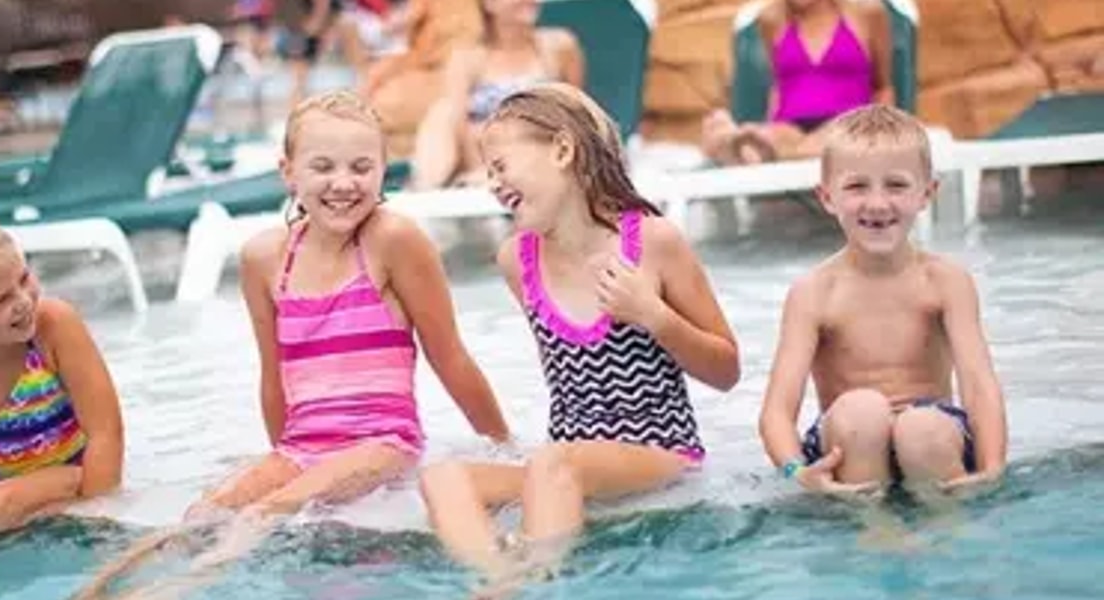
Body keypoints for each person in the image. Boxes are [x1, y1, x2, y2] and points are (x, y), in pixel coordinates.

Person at [72, 90, 511, 600]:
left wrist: (501, 446)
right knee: (203, 513)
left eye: (361, 167)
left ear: (383, 171)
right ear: (289, 172)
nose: (343, 183)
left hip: (382, 443)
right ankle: (99, 588)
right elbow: (273, 374)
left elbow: (449, 356)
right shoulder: (264, 260)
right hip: (302, 445)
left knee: (267, 510)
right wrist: (278, 458)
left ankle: (180, 589)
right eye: (322, 167)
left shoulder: (394, 240)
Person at [419, 84, 740, 586]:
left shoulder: (652, 242)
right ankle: (498, 578)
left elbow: (726, 370)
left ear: (563, 150)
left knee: (555, 463)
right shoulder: (517, 260)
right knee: (444, 477)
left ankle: (533, 581)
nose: (493, 184)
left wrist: (654, 315)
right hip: (566, 464)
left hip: (658, 450)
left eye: (500, 166)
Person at [757, 104, 1008, 502]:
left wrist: (993, 469)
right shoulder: (814, 293)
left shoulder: (946, 282)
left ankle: (950, 525)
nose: (877, 203)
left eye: (896, 185)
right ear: (826, 197)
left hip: (933, 440)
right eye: (857, 186)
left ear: (927, 193)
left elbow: (979, 386)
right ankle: (872, 529)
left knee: (921, 429)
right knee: (862, 412)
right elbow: (777, 409)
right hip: (848, 442)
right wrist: (796, 471)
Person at [0, 216, 124, 575]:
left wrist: (98, 522)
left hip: (72, 471)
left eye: (23, 278)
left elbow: (106, 433)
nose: (23, 301)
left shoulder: (53, 325)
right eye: (0, 300)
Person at [408, 0, 584, 190]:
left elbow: (576, 112)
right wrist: (482, 173)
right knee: (443, 114)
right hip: (485, 166)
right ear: (488, 4)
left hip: (546, 158)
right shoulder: (468, 58)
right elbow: (458, 124)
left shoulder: (559, 47)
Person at [701, 0, 893, 165]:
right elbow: (778, 85)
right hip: (790, 126)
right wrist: (771, 130)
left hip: (848, 123)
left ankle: (764, 152)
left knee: (835, 138)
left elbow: (883, 87)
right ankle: (739, 143)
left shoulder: (867, 12)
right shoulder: (770, 18)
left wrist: (885, 134)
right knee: (757, 139)